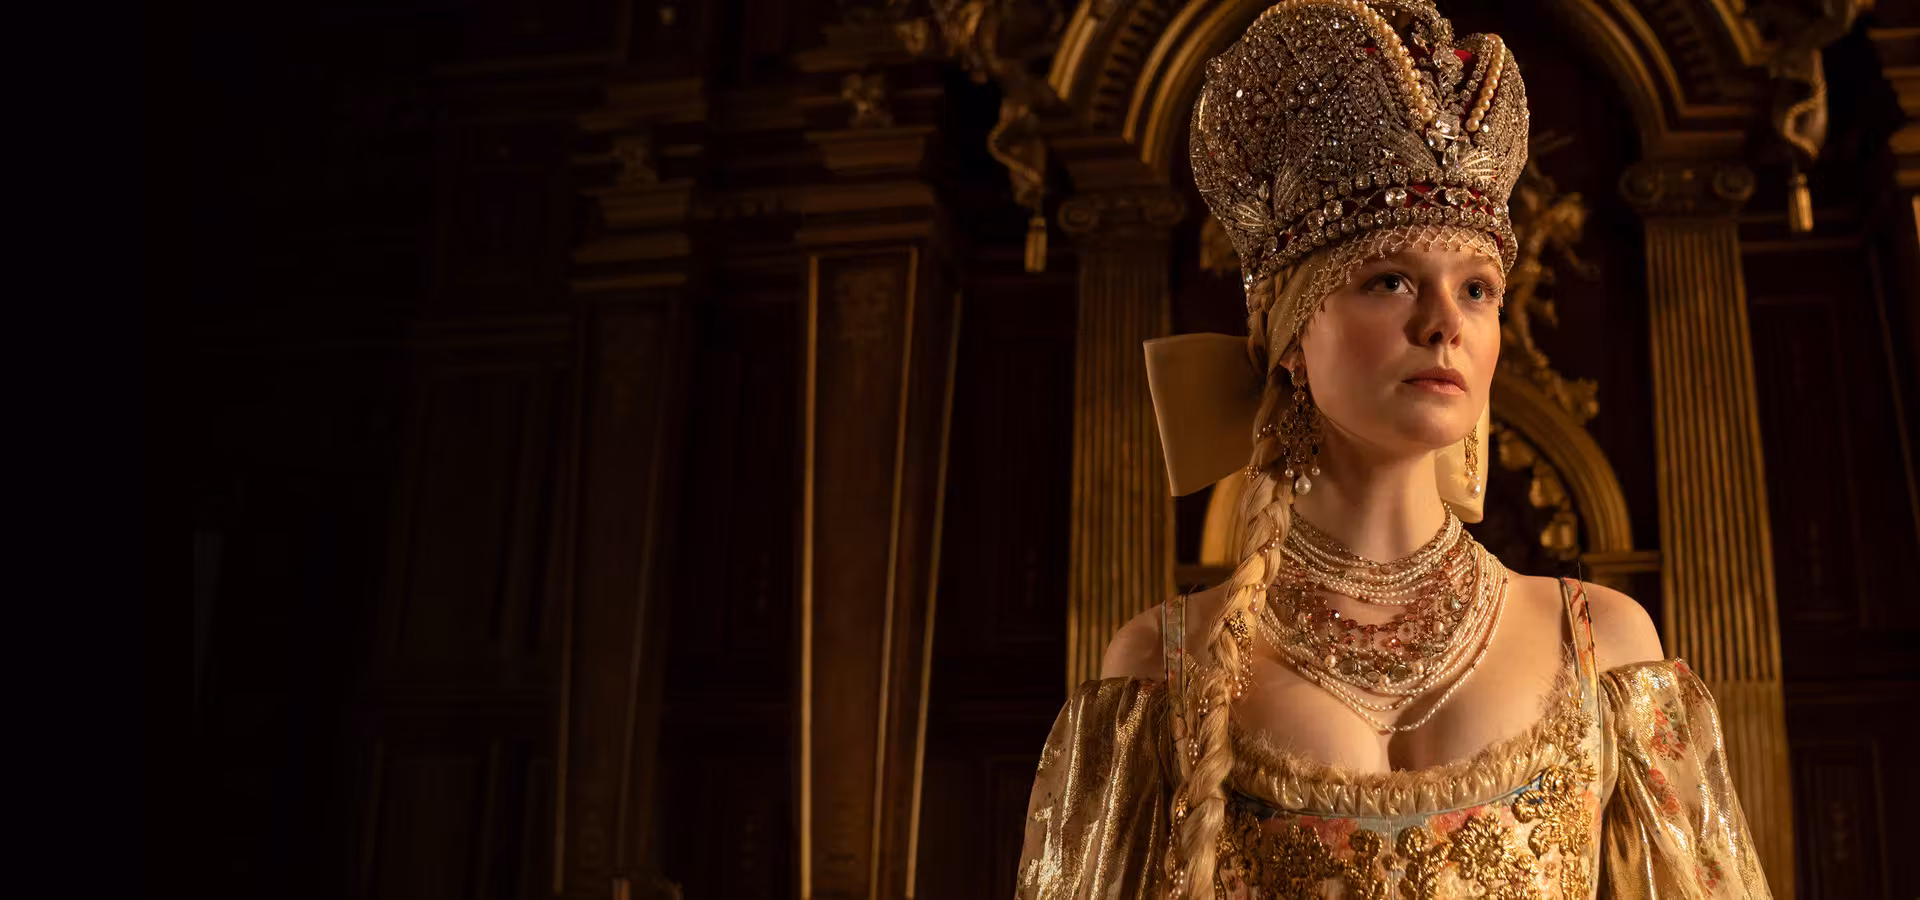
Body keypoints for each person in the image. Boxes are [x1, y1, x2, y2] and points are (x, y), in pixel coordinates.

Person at [1014, 1, 1773, 897]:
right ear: (1292, 335)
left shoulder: (1602, 644)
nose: (1445, 323)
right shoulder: (1161, 667)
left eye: (1477, 289)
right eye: (1389, 280)